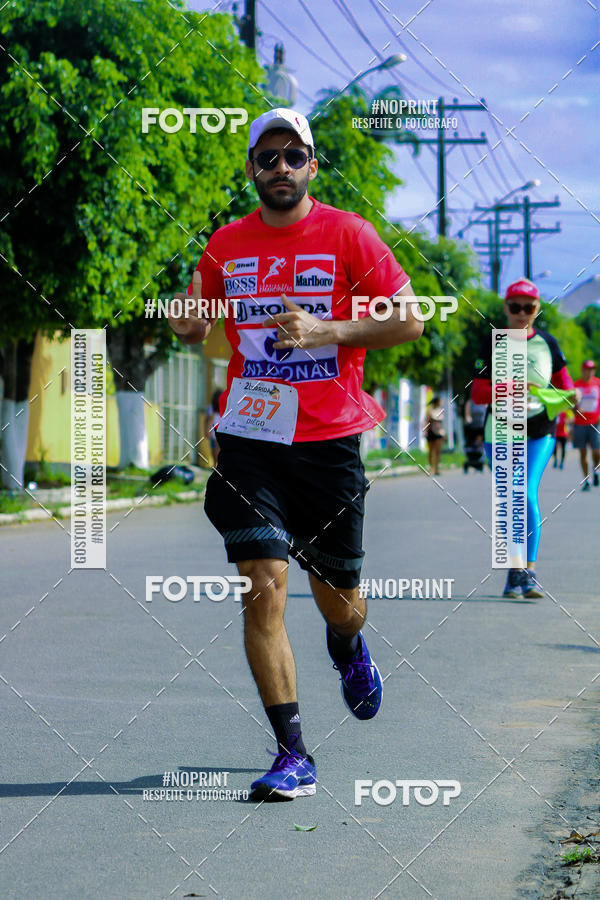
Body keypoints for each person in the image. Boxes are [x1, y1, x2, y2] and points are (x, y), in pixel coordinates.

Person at [168, 108, 422, 801]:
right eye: (267, 157)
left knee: (339, 602)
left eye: (294, 156)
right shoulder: (225, 244)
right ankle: (292, 754)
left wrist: (328, 329)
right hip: (250, 440)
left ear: (313, 166)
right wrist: (189, 322)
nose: (281, 167)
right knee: (263, 584)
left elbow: (408, 317)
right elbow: (199, 318)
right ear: (251, 169)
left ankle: (348, 647)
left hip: (329, 443)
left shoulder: (350, 233)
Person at [472, 278, 574, 599]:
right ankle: (515, 574)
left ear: (537, 309)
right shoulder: (492, 343)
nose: (521, 313)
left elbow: (566, 388)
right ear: (505, 309)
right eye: (514, 307)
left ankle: (527, 571)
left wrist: (563, 399)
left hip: (540, 432)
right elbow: (477, 394)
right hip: (500, 431)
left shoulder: (548, 344)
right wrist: (513, 389)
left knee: (524, 492)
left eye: (528, 307)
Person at [572, 360, 600, 491]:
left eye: (592, 369)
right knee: (582, 452)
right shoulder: (576, 385)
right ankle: (587, 479)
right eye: (587, 369)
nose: (589, 371)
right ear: (582, 370)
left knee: (596, 451)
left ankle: (596, 471)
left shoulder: (598, 383)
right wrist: (575, 409)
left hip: (595, 422)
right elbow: (570, 403)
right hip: (580, 423)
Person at [424, 396, 445, 475]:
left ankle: (437, 468)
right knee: (431, 451)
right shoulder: (430, 411)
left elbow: (441, 423)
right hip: (431, 432)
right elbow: (426, 421)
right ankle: (432, 468)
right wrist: (425, 431)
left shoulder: (441, 411)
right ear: (436, 402)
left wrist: (444, 433)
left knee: (438, 451)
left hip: (439, 432)